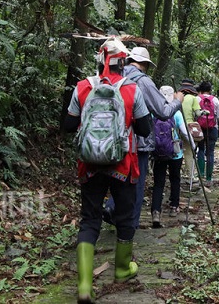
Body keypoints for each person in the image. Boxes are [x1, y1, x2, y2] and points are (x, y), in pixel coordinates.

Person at [62, 38, 153, 303]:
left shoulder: (83, 87)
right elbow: (145, 130)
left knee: (89, 219)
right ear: (123, 62)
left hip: (89, 166)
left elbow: (68, 126)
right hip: (123, 166)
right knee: (124, 217)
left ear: (101, 60)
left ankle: (84, 285)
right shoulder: (132, 90)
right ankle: (123, 270)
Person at [103, 46, 183, 229]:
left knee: (119, 177)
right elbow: (163, 112)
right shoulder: (143, 82)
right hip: (138, 141)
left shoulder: (115, 77)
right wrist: (178, 101)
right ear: (145, 64)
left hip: (113, 139)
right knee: (136, 183)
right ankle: (130, 227)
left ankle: (112, 208)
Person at [150, 86, 194, 227]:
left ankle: (156, 211)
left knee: (158, 183)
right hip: (175, 152)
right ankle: (174, 207)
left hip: (158, 152)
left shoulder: (154, 111)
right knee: (175, 179)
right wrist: (193, 146)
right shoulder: (176, 112)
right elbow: (185, 132)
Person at [197, 81, 219, 188]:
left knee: (200, 150)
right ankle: (208, 178)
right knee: (210, 153)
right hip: (212, 128)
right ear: (210, 90)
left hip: (200, 128)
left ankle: (200, 174)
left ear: (200, 89)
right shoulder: (215, 100)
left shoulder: (197, 99)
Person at [178, 78, 202, 190]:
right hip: (188, 127)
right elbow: (198, 113)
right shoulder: (193, 98)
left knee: (176, 151)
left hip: (176, 126)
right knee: (189, 152)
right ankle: (191, 175)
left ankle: (179, 173)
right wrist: (203, 112)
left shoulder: (177, 97)